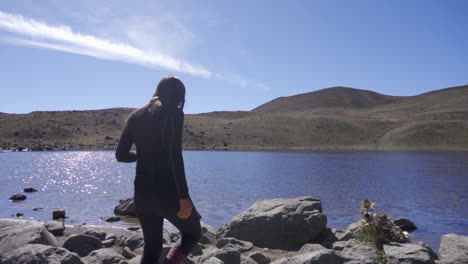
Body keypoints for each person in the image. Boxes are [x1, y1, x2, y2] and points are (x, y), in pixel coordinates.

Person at [116, 75, 201, 264]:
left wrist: (143, 156)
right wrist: (184, 197)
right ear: (179, 96)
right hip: (169, 194)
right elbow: (174, 156)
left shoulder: (135, 115)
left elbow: (121, 156)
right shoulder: (174, 113)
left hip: (142, 196)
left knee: (152, 248)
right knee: (193, 232)